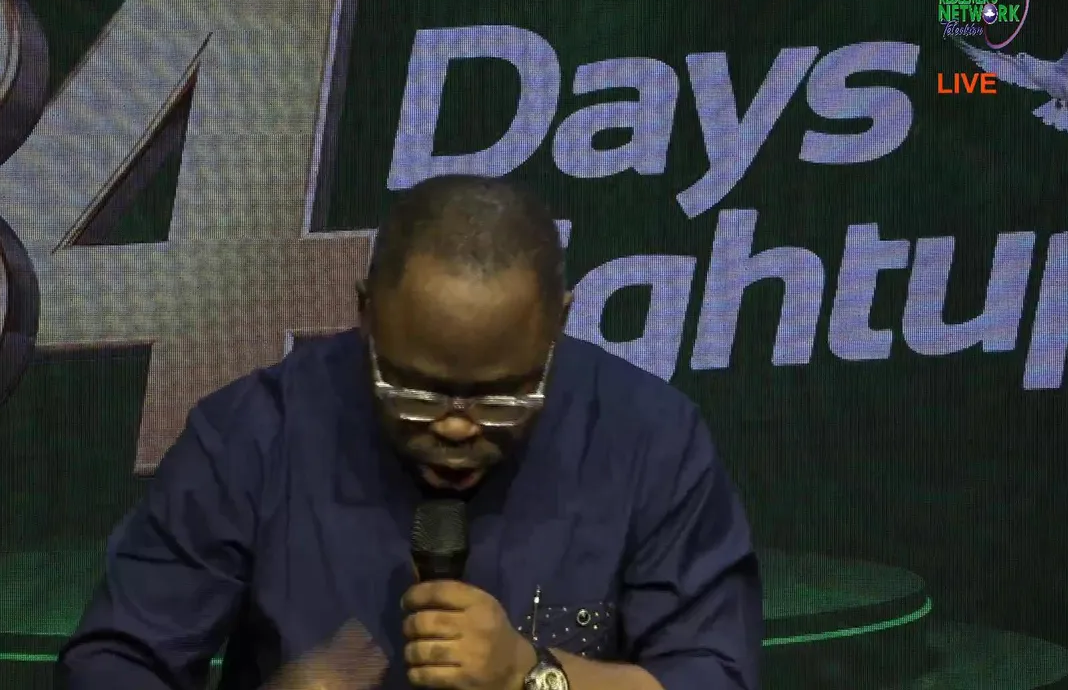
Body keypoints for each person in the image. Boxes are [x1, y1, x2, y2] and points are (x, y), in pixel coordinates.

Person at [56, 175, 763, 690]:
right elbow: (114, 662)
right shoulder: (252, 435)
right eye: (415, 391)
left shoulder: (650, 438)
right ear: (365, 312)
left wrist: (532, 675)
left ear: (560, 320)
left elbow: (715, 676)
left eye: (502, 396)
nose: (455, 425)